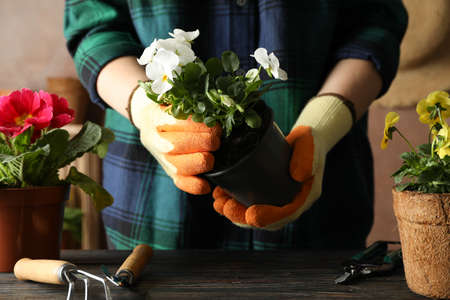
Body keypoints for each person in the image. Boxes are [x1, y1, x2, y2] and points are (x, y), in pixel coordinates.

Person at [64, 0, 407, 250]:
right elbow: (95, 24)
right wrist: (146, 109)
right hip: (156, 212)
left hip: (323, 215)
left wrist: (325, 120)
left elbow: (375, 24)